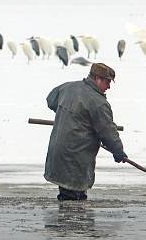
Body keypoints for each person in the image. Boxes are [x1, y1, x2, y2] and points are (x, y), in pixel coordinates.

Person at [44, 62, 126, 200]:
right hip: (75, 157)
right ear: (97, 78)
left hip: (58, 152)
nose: (109, 87)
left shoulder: (68, 87)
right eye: (107, 82)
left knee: (69, 194)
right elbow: (107, 131)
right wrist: (118, 151)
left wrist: (72, 116)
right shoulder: (98, 103)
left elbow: (51, 100)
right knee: (72, 199)